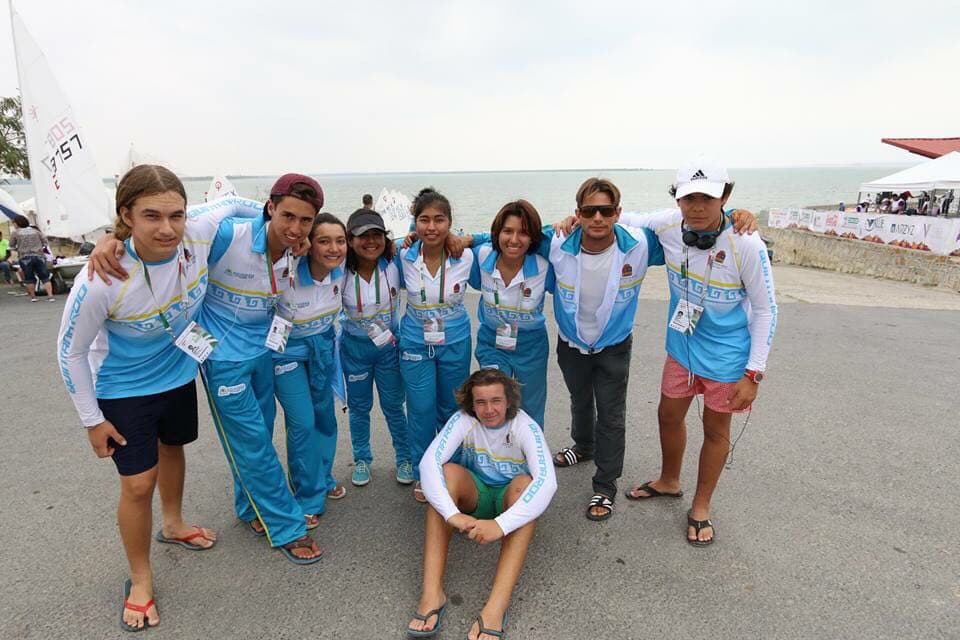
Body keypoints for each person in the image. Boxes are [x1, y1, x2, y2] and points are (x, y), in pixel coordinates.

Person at [55, 165, 258, 630]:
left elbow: (241, 206)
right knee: (137, 484)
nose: (167, 228)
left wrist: (282, 222)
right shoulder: (101, 279)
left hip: (178, 374)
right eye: (151, 216)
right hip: (123, 388)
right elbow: (71, 353)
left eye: (175, 215)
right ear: (125, 214)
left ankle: (174, 523)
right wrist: (91, 420)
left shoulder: (198, 232)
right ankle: (140, 579)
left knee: (174, 449)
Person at [618, 157, 777, 546]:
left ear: (725, 196)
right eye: (689, 198)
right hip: (682, 347)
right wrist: (573, 220)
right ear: (678, 200)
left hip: (727, 356)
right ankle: (670, 480)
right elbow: (623, 218)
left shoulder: (746, 243)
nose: (698, 208)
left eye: (708, 198)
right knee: (668, 414)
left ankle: (702, 505)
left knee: (715, 429)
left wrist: (754, 373)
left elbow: (765, 308)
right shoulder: (670, 225)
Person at [197, 174, 326, 564]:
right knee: (253, 441)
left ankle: (248, 507)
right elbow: (172, 233)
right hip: (221, 356)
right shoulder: (227, 236)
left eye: (306, 221)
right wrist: (114, 240)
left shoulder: (294, 250)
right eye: (288, 216)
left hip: (264, 352)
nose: (295, 228)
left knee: (258, 434)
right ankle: (286, 525)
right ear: (270, 208)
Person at [408, 369, 556, 640]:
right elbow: (428, 464)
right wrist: (452, 515)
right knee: (447, 473)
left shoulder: (525, 426)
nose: (488, 410)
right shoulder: (464, 419)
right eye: (480, 402)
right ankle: (432, 594)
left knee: (526, 486)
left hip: (508, 499)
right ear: (471, 404)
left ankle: (495, 607)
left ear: (509, 400)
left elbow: (548, 482)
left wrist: (500, 525)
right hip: (476, 494)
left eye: (496, 401)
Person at [548, 177, 663, 522]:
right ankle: (583, 447)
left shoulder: (639, 245)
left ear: (618, 213)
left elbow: (688, 222)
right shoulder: (557, 242)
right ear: (577, 214)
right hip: (572, 343)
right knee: (579, 399)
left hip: (614, 345)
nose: (597, 217)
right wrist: (462, 239)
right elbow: (511, 232)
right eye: (589, 210)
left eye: (606, 210)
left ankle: (605, 485)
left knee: (611, 414)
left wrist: (733, 215)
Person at [396, 188, 475, 502]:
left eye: (439, 220)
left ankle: (449, 469)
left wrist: (466, 238)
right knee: (420, 409)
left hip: (455, 339)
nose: (431, 227)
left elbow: (492, 240)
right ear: (414, 223)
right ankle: (422, 471)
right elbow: (368, 250)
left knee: (451, 407)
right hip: (415, 339)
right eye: (424, 220)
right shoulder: (404, 255)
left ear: (450, 223)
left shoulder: (465, 255)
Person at [270, 213, 348, 527]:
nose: (334, 248)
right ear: (308, 244)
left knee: (324, 416)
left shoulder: (342, 271)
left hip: (323, 348)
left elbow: (386, 247)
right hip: (285, 352)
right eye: (324, 241)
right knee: (302, 421)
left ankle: (323, 476)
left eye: (340, 241)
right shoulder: (286, 269)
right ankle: (307, 494)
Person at [340, 208, 413, 486]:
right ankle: (362, 458)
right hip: (354, 350)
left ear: (386, 238)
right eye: (362, 236)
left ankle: (404, 457)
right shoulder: (340, 270)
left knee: (394, 406)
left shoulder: (395, 265)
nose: (371, 242)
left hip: (388, 349)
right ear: (349, 240)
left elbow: (423, 248)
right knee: (359, 407)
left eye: (377, 235)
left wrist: (413, 236)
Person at [467, 200, 554, 428]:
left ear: (533, 237)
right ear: (497, 233)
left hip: (531, 345)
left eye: (523, 233)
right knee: (493, 399)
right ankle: (495, 455)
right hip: (492, 342)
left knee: (531, 404)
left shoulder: (545, 266)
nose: (514, 240)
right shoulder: (481, 255)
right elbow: (448, 243)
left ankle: (530, 456)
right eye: (507, 231)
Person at [9, 214, 54, 301]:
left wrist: (18, 248)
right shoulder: (35, 231)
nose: (14, 225)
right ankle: (50, 296)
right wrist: (40, 247)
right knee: (44, 276)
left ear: (17, 223)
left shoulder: (15, 233)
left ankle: (33, 297)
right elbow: (45, 241)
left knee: (29, 278)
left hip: (25, 257)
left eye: (14, 223)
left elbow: (11, 245)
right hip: (39, 256)